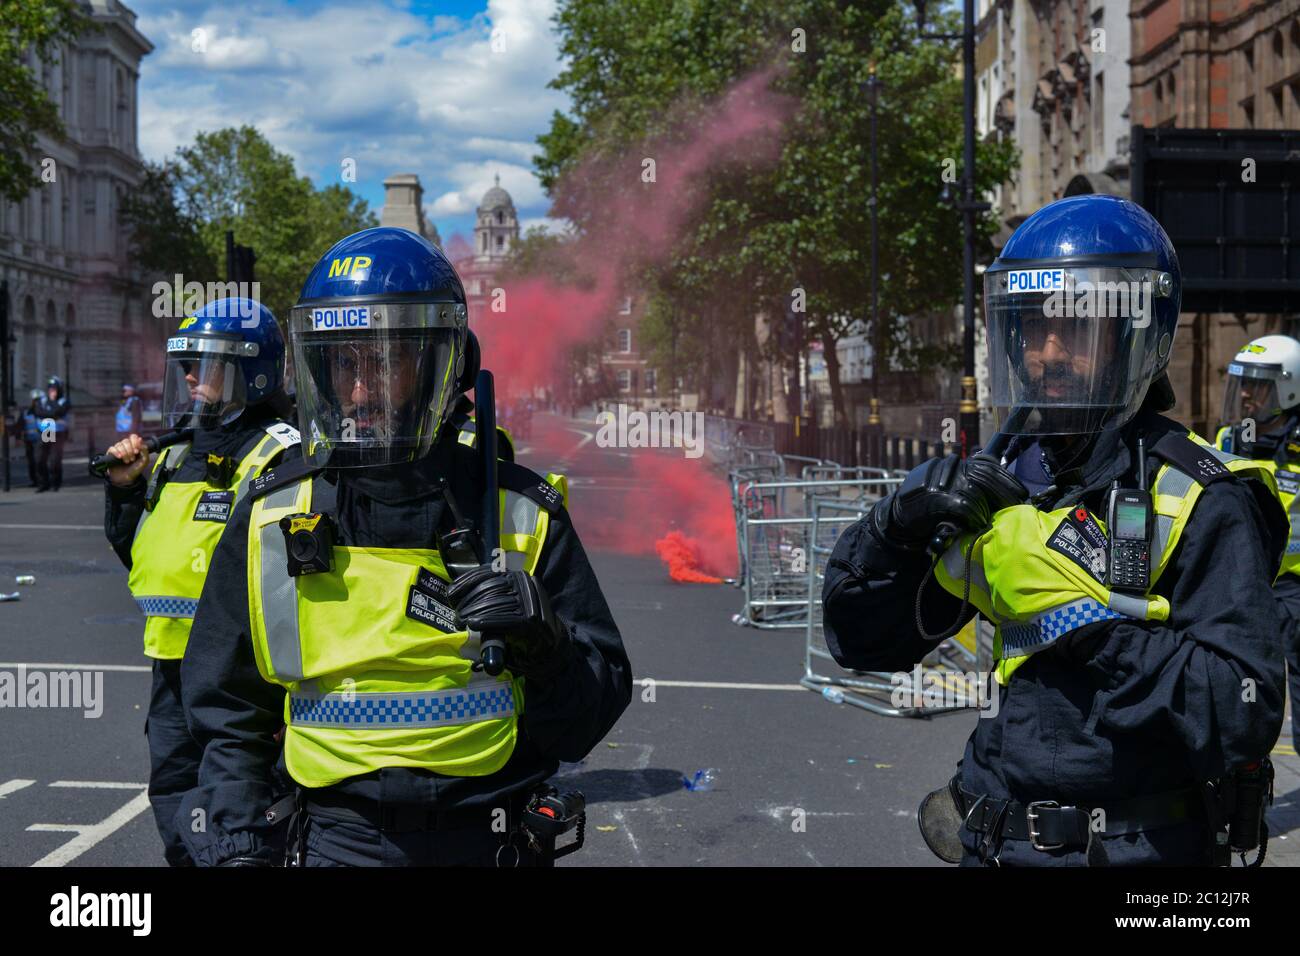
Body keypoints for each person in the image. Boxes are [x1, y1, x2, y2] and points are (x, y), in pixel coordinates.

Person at [822, 194, 1289, 866]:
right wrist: (892, 531)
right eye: (1031, 326)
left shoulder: (1197, 494)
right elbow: (859, 640)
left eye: (1074, 328)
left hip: (1139, 852)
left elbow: (1241, 710)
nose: (1047, 353)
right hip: (994, 840)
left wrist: (1078, 617)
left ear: (1134, 333)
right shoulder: (1004, 474)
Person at [178, 227, 632, 867]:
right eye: (344, 362)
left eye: (387, 362)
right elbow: (228, 712)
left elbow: (587, 721)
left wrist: (546, 645)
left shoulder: (521, 513)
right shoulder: (272, 511)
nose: (360, 391)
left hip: (491, 838)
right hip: (336, 842)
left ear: (447, 366)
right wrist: (241, 847)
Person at [102, 297, 300, 866]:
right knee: (177, 802)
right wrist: (122, 490)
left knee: (248, 814)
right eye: (184, 363)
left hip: (245, 673)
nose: (189, 375)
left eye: (204, 362)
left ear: (249, 370)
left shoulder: (280, 453)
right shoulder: (176, 452)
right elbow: (144, 554)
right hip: (172, 664)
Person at [1215, 334, 1300, 753]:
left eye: (1257, 384)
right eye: (1242, 383)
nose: (1246, 393)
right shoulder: (1227, 441)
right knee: (1243, 688)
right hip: (1245, 583)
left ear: (1287, 388)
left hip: (1295, 589)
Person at [34, 376, 69, 492]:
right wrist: (52, 414)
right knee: (39, 459)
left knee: (55, 461)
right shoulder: (42, 400)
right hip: (46, 430)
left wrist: (52, 402)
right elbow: (38, 412)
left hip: (58, 433)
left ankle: (55, 483)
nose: (51, 390)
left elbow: (59, 411)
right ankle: (43, 483)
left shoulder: (63, 401)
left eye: (54, 388)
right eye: (50, 388)